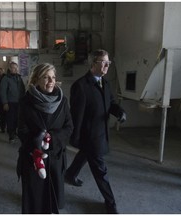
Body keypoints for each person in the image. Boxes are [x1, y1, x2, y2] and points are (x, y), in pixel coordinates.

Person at [65, 49, 126, 213]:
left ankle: (70, 175)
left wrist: (119, 112)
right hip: (91, 136)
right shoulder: (81, 86)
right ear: (93, 64)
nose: (107, 65)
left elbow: (111, 103)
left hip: (101, 132)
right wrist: (74, 137)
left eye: (108, 62)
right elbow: (76, 115)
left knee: (85, 154)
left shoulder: (105, 83)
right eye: (103, 62)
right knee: (101, 171)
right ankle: (111, 203)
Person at [17, 63, 73, 213]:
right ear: (36, 79)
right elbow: (21, 130)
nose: (51, 81)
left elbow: (69, 128)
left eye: (53, 77)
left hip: (55, 159)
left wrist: (52, 138)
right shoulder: (25, 101)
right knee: (35, 204)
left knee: (53, 203)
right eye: (46, 77)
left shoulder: (62, 101)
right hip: (33, 161)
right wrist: (38, 140)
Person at [0, 61, 25, 143]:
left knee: (18, 119)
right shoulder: (6, 78)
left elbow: (22, 90)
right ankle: (11, 136)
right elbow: (3, 91)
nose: (14, 69)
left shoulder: (19, 78)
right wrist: (5, 103)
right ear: (9, 68)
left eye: (16, 68)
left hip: (19, 103)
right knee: (11, 120)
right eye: (13, 68)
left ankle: (16, 133)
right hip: (10, 103)